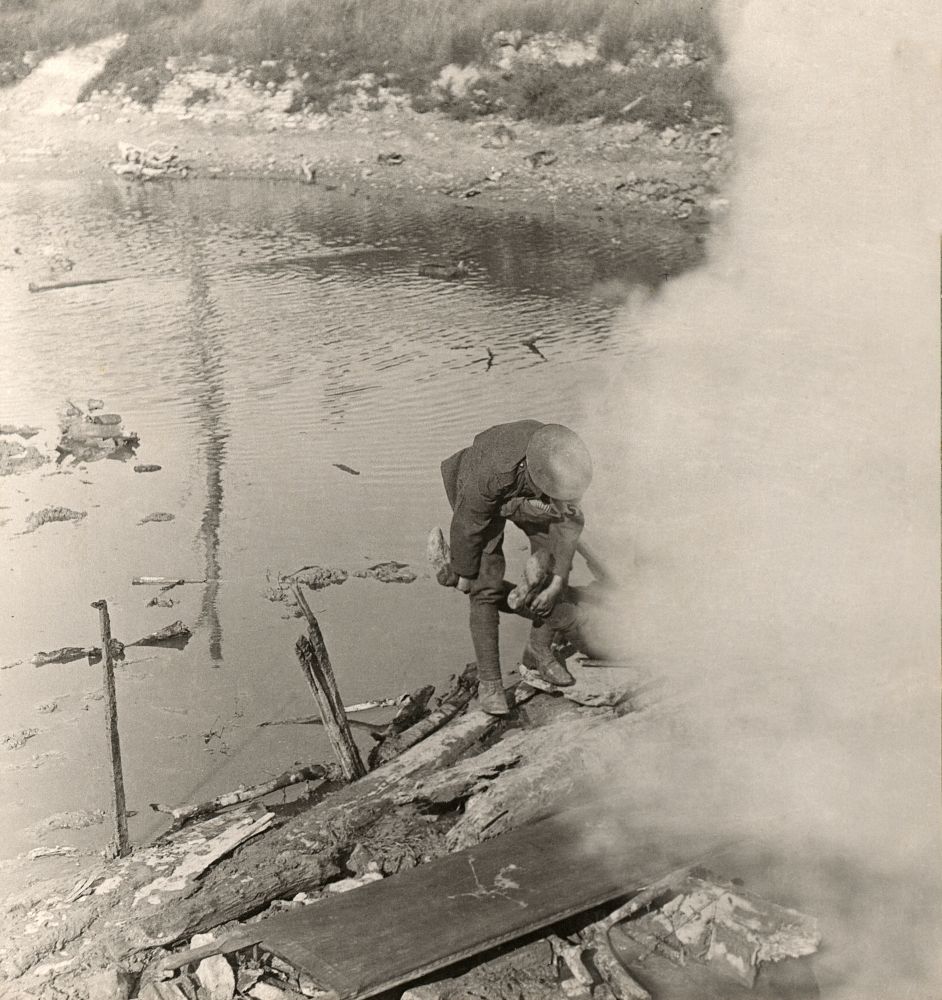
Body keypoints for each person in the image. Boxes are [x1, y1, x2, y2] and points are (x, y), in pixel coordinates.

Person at [438, 420, 593, 716]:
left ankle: (539, 648)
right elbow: (468, 524)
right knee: (485, 585)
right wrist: (464, 573)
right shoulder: (491, 473)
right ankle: (490, 683)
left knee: (547, 572)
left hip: (530, 499)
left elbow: (570, 525)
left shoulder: (565, 463)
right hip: (481, 498)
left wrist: (558, 578)